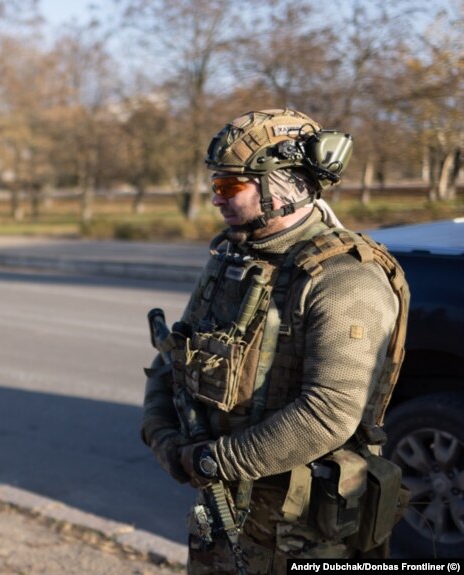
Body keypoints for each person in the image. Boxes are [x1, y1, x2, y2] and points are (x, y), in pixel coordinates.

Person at [141, 109, 409, 573]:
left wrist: (213, 460)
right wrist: (161, 433)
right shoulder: (232, 259)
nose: (216, 200)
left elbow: (329, 412)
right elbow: (172, 357)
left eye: (228, 187)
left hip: (303, 531)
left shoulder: (346, 277)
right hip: (222, 513)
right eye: (215, 187)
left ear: (280, 188)